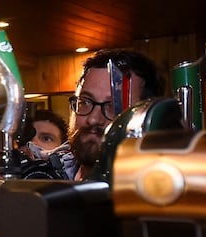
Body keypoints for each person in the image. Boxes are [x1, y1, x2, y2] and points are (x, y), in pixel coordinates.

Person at [21, 49, 165, 181]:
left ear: (148, 118)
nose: (93, 119)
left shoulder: (157, 187)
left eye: (112, 107)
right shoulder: (50, 172)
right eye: (85, 102)